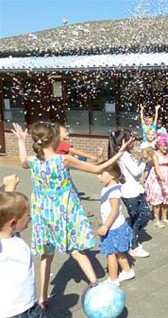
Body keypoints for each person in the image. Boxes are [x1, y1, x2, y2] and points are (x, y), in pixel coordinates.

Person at [11, 122, 132, 310]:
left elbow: (22, 161)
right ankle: (95, 287)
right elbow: (97, 169)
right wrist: (120, 152)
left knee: (46, 257)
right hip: (64, 213)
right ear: (55, 140)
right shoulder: (63, 160)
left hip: (44, 214)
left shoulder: (34, 161)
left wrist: (21, 141)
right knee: (76, 251)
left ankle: (42, 298)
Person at [0, 191, 45, 318]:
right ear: (13, 223)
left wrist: (9, 187)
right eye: (28, 216)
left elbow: (5, 207)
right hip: (11, 313)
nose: (30, 218)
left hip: (31, 306)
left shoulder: (13, 236)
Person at [109, 129, 152, 258]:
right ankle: (133, 245)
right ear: (124, 142)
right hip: (129, 193)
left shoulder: (127, 154)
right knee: (142, 217)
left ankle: (132, 237)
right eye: (131, 138)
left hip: (136, 190)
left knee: (143, 216)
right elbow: (135, 172)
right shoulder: (122, 156)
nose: (134, 140)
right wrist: (145, 162)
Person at [96, 163, 135, 286]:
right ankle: (128, 271)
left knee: (110, 253)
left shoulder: (113, 192)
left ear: (112, 175)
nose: (98, 176)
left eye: (101, 173)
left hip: (113, 227)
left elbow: (114, 211)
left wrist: (105, 226)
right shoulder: (110, 186)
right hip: (117, 226)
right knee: (119, 252)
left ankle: (113, 279)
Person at [145, 133, 168, 228]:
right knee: (157, 200)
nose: (166, 148)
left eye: (167, 146)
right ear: (158, 145)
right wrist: (160, 176)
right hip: (157, 179)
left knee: (166, 199)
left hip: (166, 178)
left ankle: (165, 217)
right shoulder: (155, 154)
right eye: (164, 146)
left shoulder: (167, 155)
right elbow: (156, 166)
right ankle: (157, 219)